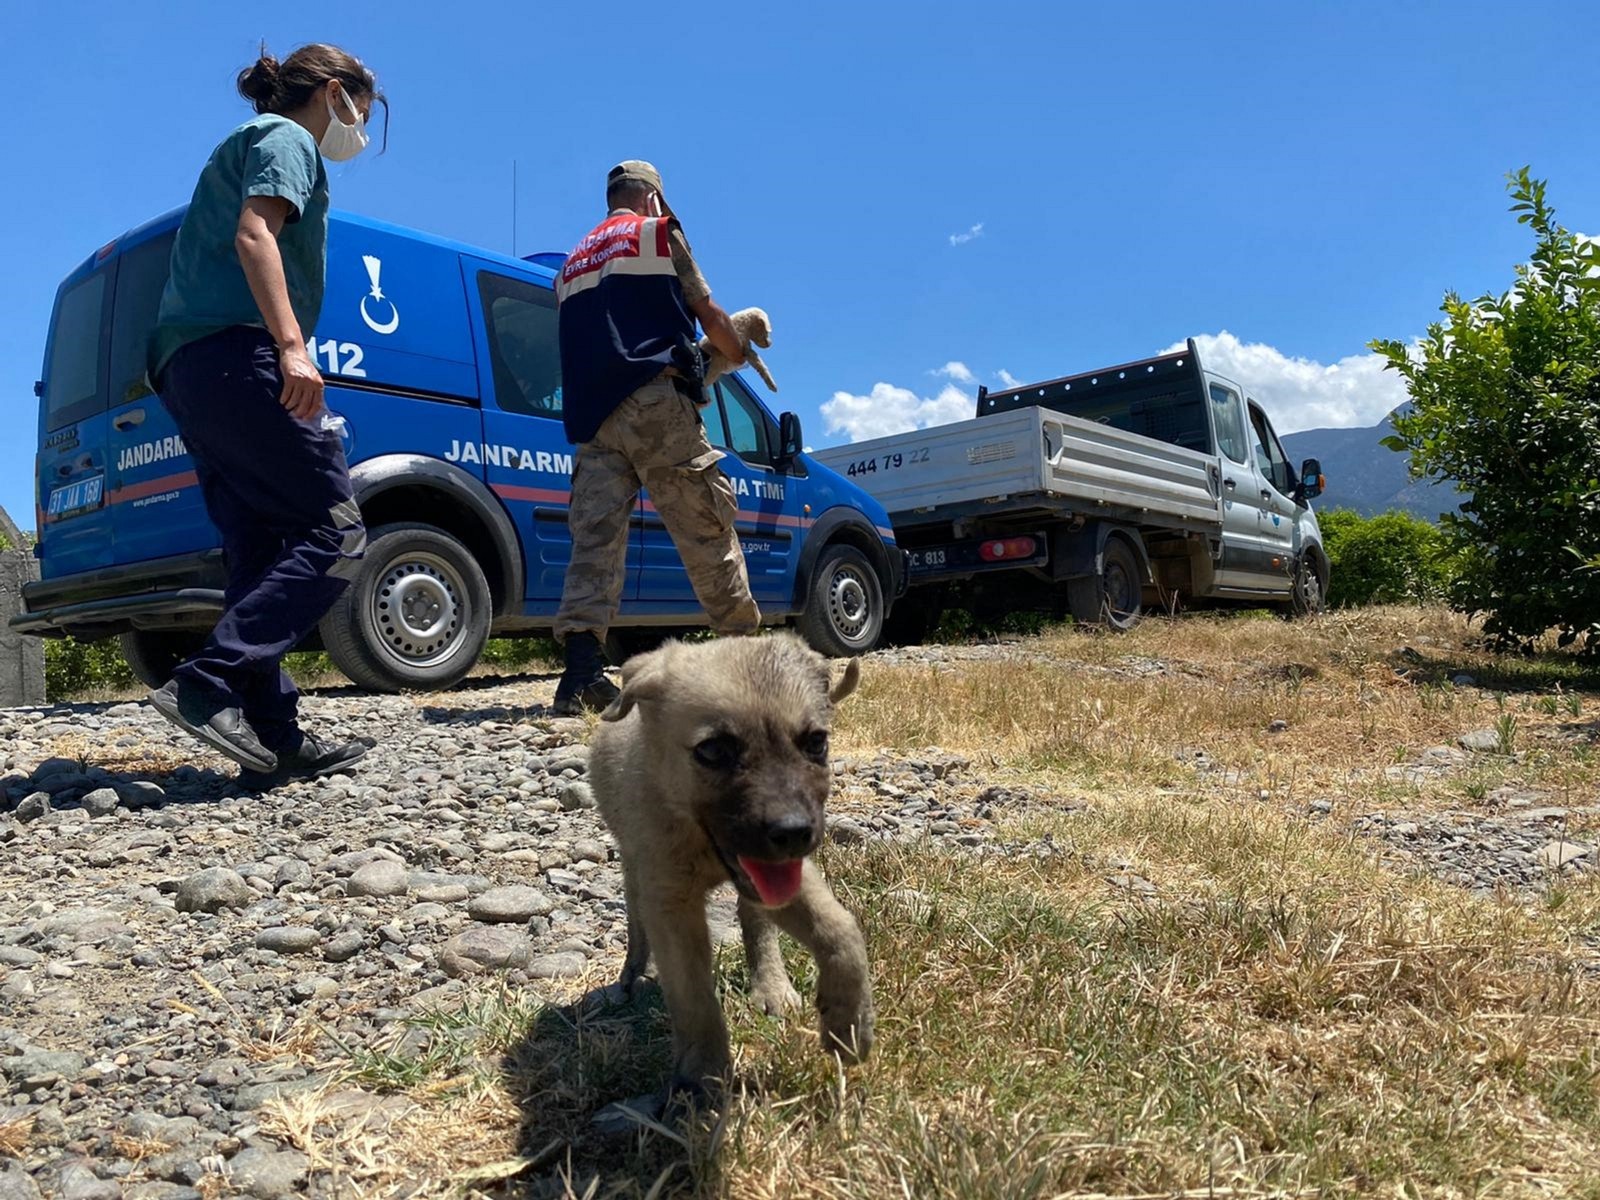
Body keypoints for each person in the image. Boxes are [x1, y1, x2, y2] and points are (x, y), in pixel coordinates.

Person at [144, 44, 386, 781]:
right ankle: (205, 683)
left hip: (191, 364)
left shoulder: (247, 142)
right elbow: (256, 234)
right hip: (239, 353)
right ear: (337, 93)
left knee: (260, 547)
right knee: (335, 530)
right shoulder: (286, 141)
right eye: (364, 109)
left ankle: (276, 736)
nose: (361, 127)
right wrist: (293, 347)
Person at [550, 161, 761, 715]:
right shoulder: (657, 234)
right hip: (654, 404)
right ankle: (748, 664)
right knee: (706, 528)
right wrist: (734, 352)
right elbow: (708, 312)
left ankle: (580, 676)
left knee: (595, 543)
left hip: (594, 416)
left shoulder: (570, 263)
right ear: (651, 199)